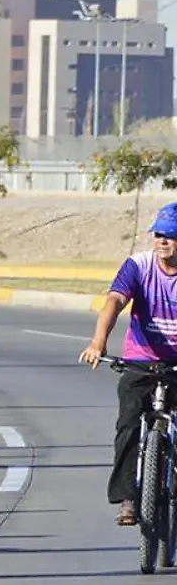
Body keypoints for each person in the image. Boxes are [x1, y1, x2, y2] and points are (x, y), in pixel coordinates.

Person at [80, 203, 177, 526]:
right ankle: (128, 498)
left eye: (171, 235)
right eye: (158, 234)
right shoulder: (139, 265)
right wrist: (98, 342)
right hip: (141, 361)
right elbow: (114, 301)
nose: (162, 241)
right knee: (129, 425)